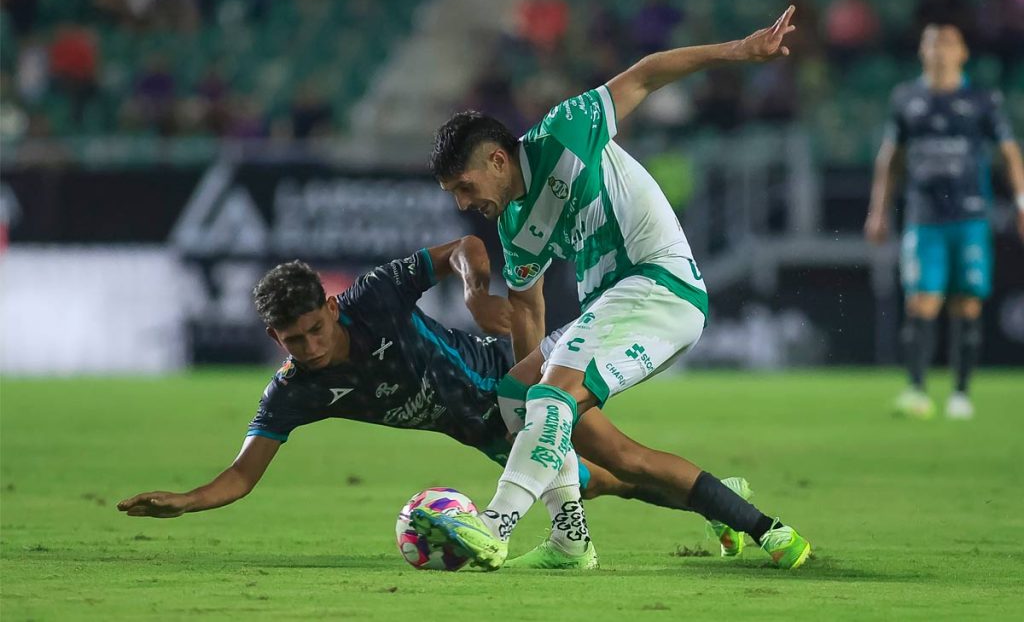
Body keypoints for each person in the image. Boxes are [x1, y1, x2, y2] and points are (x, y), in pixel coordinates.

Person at [416, 7, 811, 571]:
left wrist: (740, 51)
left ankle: (494, 524)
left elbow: (646, 74)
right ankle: (748, 526)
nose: (461, 203)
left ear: (498, 160)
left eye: (464, 185)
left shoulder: (565, 129)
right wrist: (535, 397)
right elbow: (528, 307)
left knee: (550, 398)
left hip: (659, 285)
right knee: (529, 404)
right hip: (615, 307)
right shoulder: (512, 225)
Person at [116, 238, 744, 570]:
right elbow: (243, 474)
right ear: (273, 339)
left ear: (330, 307)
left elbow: (464, 246)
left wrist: (474, 292)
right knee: (611, 479)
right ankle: (722, 501)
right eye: (293, 339)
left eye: (315, 329)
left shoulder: (376, 296)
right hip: (481, 431)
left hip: (512, 380)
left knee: (619, 462)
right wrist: (186, 501)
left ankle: (727, 507)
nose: (310, 346)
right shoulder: (294, 390)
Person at [865, 23, 1024, 420]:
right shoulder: (906, 99)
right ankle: (917, 389)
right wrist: (878, 210)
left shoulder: (982, 99)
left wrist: (1022, 202)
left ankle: (961, 393)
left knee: (967, 305)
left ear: (963, 52)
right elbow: (891, 159)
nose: (939, 51)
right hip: (924, 218)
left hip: (970, 216)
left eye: (947, 43)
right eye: (932, 43)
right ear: (922, 51)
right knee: (921, 302)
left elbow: (1008, 152)